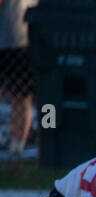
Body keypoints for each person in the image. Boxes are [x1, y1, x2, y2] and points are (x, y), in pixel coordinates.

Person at [0, 0, 35, 157]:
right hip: (23, 38)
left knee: (45, 101)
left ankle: (18, 146)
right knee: (22, 97)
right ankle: (16, 145)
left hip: (20, 38)